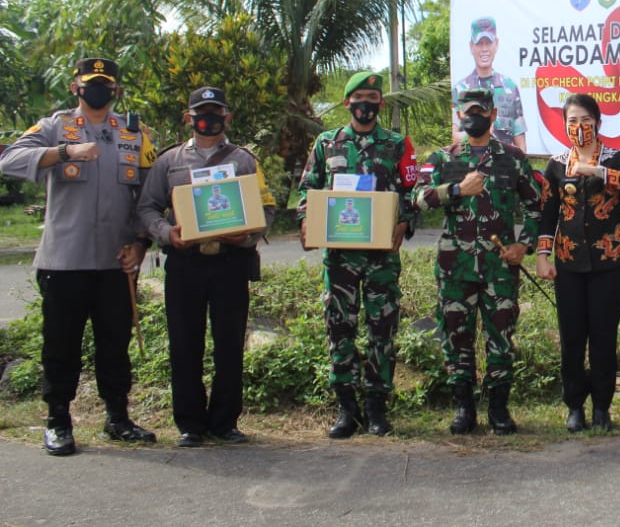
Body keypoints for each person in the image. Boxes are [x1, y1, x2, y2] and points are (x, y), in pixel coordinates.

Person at [0, 57, 157, 456]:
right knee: (61, 344)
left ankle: (117, 418)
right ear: (76, 88)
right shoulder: (54, 126)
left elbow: (149, 196)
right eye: (90, 83)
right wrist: (65, 151)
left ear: (116, 91)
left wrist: (140, 244)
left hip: (115, 263)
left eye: (105, 84)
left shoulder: (135, 134)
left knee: (114, 344)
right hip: (63, 261)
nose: (98, 90)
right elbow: (8, 160)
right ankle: (57, 421)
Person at [137, 86, 277, 447]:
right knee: (184, 344)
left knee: (230, 345)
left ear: (227, 117)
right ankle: (190, 424)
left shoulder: (245, 161)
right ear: (189, 117)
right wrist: (168, 233)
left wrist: (246, 236)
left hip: (231, 263)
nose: (208, 118)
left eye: (216, 112)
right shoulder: (169, 162)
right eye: (201, 112)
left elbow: (268, 209)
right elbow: (147, 208)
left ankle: (225, 422)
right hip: (185, 264)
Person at [418, 87, 544, 435]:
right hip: (454, 266)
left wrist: (524, 245)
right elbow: (418, 199)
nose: (473, 116)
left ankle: (499, 409)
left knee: (501, 336)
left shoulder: (513, 158)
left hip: (499, 266)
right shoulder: (442, 159)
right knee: (456, 335)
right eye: (467, 111)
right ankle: (463, 408)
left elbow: (537, 206)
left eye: (480, 111)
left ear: (492, 115)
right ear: (459, 115)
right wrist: (456, 190)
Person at [298, 71, 417, 439]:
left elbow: (414, 189)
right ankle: (347, 410)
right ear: (348, 102)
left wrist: (405, 223)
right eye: (359, 97)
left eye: (373, 97)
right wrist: (306, 221)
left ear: (380, 104)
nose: (366, 104)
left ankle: (378, 408)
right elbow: (308, 189)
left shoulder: (397, 144)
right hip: (340, 257)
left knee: (382, 329)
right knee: (340, 328)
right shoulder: (326, 143)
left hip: (381, 257)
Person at [536, 93, 620, 432]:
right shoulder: (556, 164)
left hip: (609, 262)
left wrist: (600, 171)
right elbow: (547, 214)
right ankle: (574, 406)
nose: (579, 127)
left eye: (585, 120)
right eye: (572, 121)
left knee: (603, 336)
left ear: (598, 123)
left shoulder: (615, 158)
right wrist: (543, 255)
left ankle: (602, 406)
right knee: (571, 338)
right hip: (569, 263)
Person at [453, 17, 526, 150]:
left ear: (496, 44)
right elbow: (454, 136)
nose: (484, 49)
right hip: (473, 165)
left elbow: (519, 139)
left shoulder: (510, 87)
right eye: (479, 44)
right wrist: (479, 132)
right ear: (471, 47)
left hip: (505, 166)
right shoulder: (461, 89)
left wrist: (523, 168)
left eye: (488, 43)